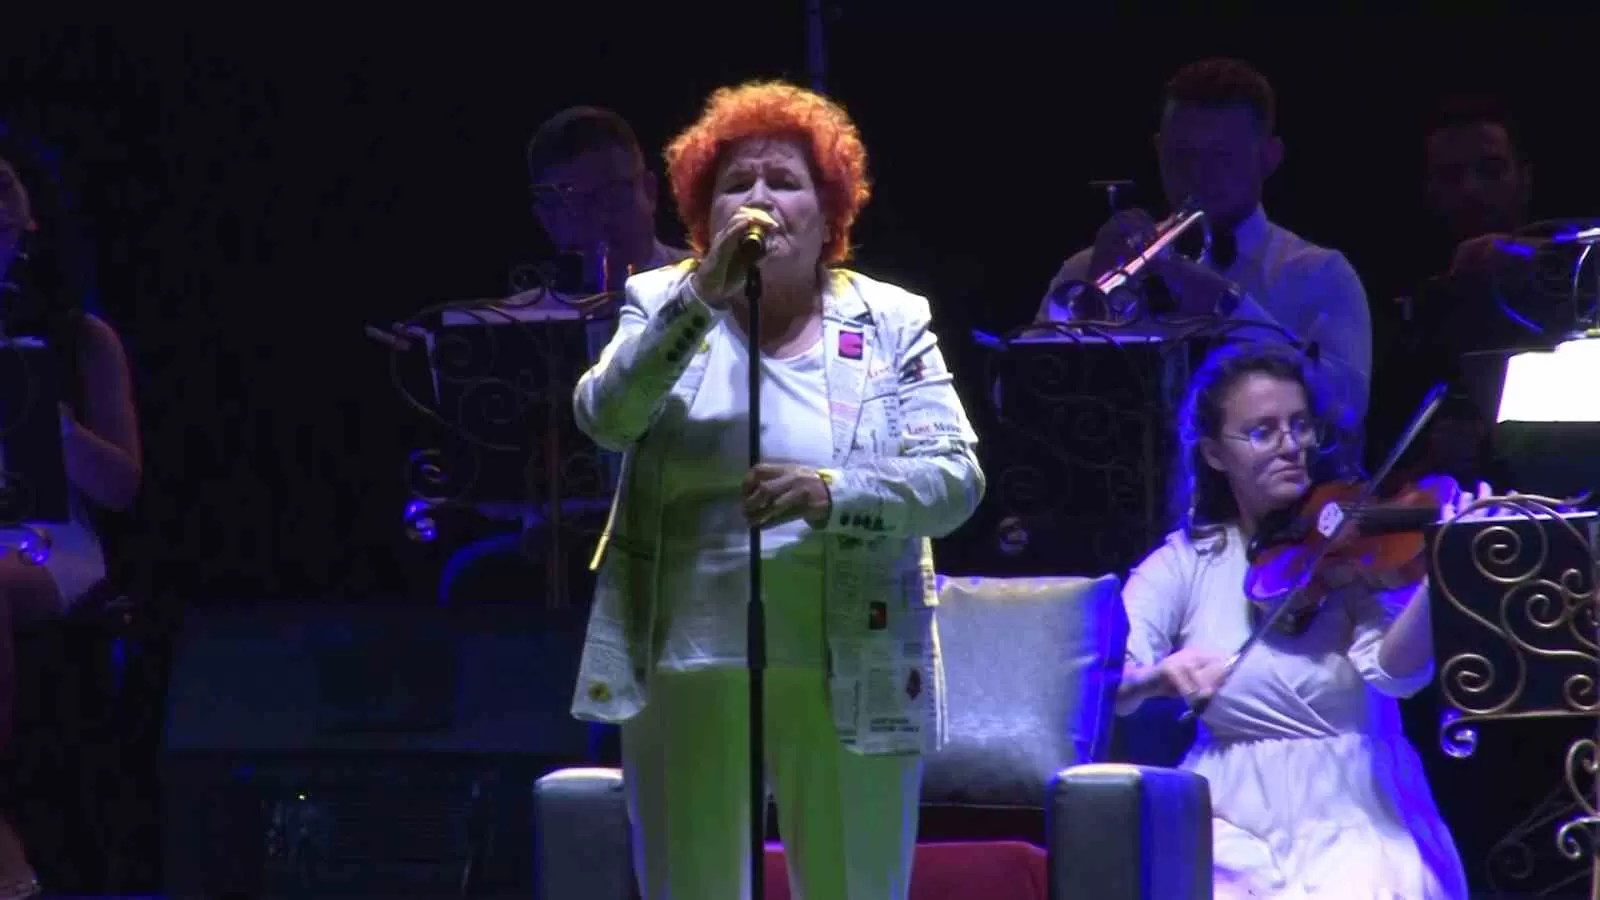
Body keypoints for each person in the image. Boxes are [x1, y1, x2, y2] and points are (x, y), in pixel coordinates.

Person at [568, 80, 985, 899]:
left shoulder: (892, 319)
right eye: (737, 183)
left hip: (853, 660)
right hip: (687, 655)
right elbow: (605, 417)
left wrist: (833, 493)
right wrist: (701, 295)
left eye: (785, 181)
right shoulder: (660, 301)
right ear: (705, 213)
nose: (759, 198)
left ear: (829, 216)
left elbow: (954, 479)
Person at [1114, 340, 1475, 898]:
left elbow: (1397, 674)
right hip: (1225, 809)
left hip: (1356, 804)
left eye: (1301, 425)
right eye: (1263, 431)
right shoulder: (1186, 561)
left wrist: (1438, 573)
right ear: (1214, 453)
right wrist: (1157, 677)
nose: (1291, 445)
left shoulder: (1352, 546)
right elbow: (1106, 680)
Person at [1036, 57, 1372, 453]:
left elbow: (1346, 409)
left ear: (1270, 157)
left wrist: (1230, 307)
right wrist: (1088, 306)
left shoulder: (1319, 274)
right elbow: (1020, 400)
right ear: (1157, 149)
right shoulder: (1087, 269)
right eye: (1181, 155)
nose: (1198, 175)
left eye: (1223, 156)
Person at [0, 150, 141, 898]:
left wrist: (49, 425)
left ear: (27, 224)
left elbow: (120, 487)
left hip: (50, 536)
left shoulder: (80, 337)